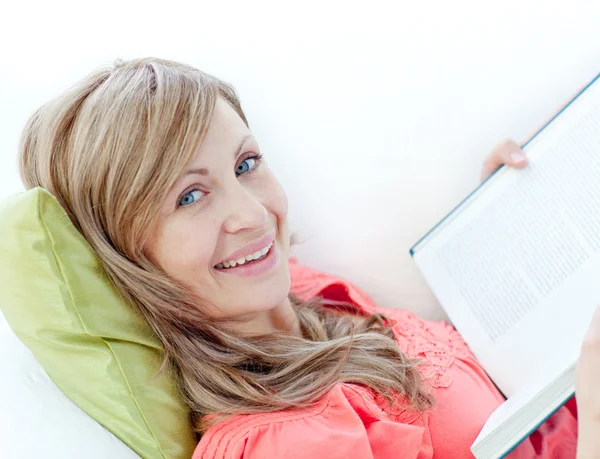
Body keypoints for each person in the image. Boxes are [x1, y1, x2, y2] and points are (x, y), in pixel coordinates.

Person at [16, 57, 598, 459]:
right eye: (190, 196)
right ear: (125, 253)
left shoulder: (307, 296)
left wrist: (504, 229)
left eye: (245, 165)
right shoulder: (282, 441)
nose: (251, 213)